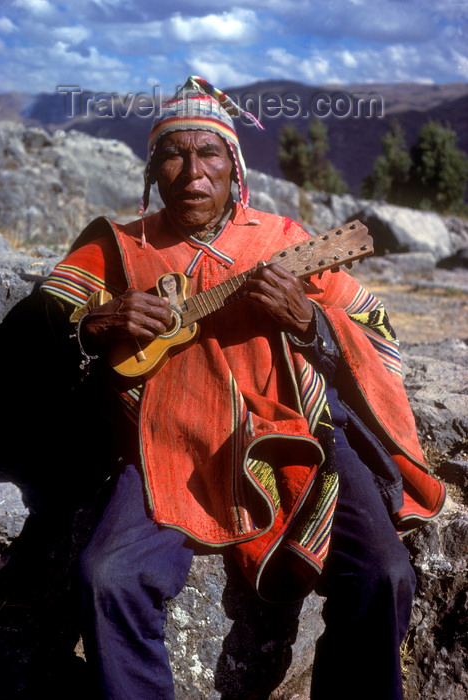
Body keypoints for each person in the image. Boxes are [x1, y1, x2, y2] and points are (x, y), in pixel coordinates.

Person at [41, 76, 446, 700]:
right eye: (174, 154)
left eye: (210, 155)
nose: (192, 175)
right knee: (107, 576)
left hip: (298, 435)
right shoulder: (119, 246)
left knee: (385, 573)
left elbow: (378, 329)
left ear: (235, 168)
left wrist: (311, 324)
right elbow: (34, 329)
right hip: (166, 443)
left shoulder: (285, 242)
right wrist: (97, 323)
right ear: (153, 170)